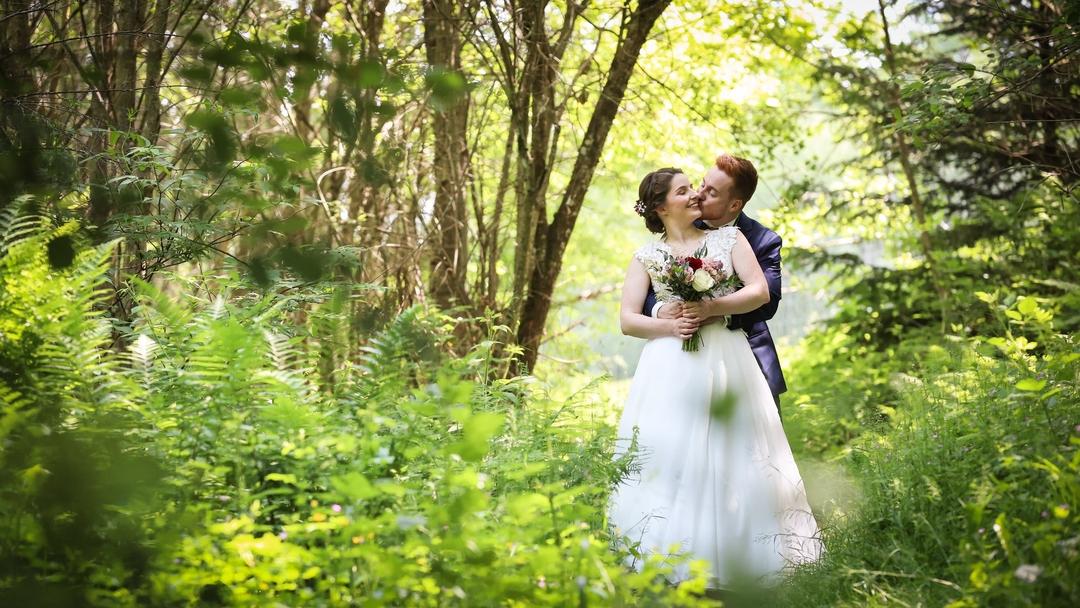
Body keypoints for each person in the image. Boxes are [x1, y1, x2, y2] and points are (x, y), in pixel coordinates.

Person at [608, 167, 821, 589]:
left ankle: (750, 551)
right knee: (671, 452)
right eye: (684, 191)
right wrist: (668, 326)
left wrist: (710, 307)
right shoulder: (646, 256)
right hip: (669, 366)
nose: (695, 196)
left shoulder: (728, 238)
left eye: (695, 189)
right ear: (660, 207)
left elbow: (760, 291)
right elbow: (628, 321)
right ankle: (671, 555)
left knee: (735, 449)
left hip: (726, 356)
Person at [642, 154, 786, 413]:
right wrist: (662, 310)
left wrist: (713, 310)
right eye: (702, 184)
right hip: (680, 352)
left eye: (712, 192)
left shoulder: (764, 240)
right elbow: (652, 284)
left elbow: (768, 301)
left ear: (734, 205)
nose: (698, 194)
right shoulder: (681, 223)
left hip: (744, 350)